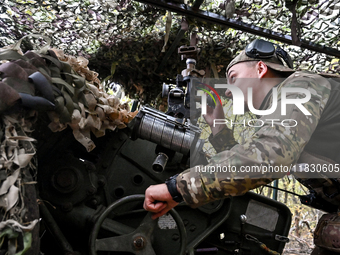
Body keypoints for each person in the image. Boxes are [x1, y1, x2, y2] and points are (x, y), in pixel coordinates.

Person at [143, 39, 340, 254]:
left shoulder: (302, 84)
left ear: (261, 68)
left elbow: (269, 158)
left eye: (233, 78)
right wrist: (218, 127)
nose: (228, 92)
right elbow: (250, 160)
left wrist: (177, 188)